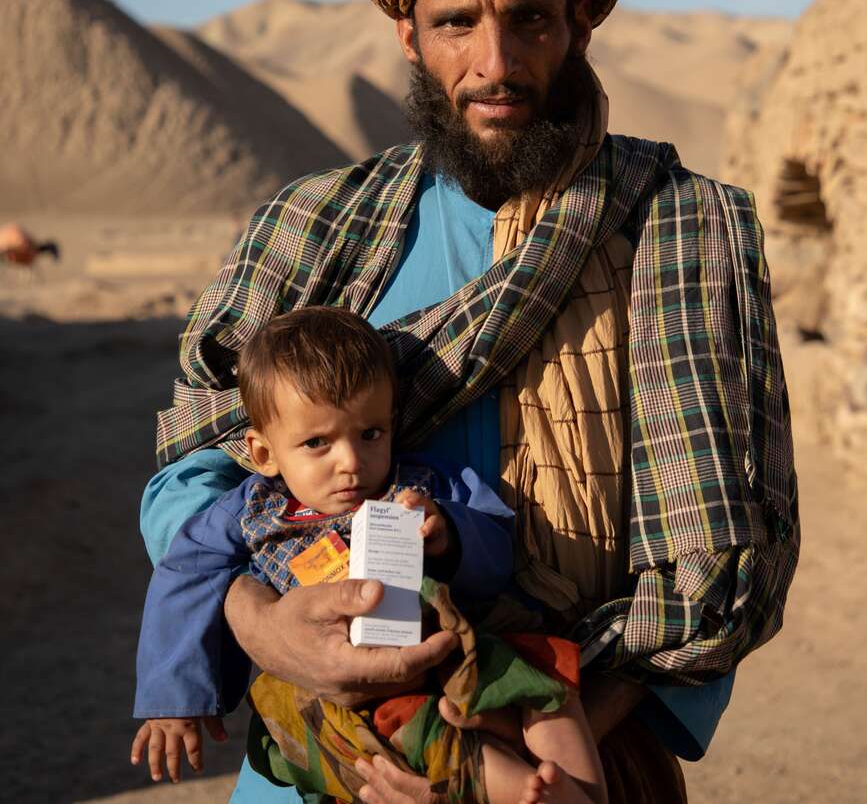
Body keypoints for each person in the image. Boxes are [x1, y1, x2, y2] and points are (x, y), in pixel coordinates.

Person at [144, 0, 799, 803]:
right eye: (457, 23)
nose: (496, 63)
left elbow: (729, 552)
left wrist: (500, 763)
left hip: (575, 754)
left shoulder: (685, 229)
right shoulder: (312, 225)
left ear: (579, 27)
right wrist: (260, 625)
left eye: (531, 18)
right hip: (328, 755)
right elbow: (190, 475)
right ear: (409, 36)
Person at [132, 306, 608, 804]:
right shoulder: (252, 510)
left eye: (370, 434)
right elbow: (186, 572)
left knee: (547, 687)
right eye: (317, 442)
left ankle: (582, 792)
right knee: (413, 733)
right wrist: (174, 699)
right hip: (352, 689)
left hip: (456, 646)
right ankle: (516, 788)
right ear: (264, 452)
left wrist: (449, 533)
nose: (352, 463)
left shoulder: (422, 484)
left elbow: (498, 545)